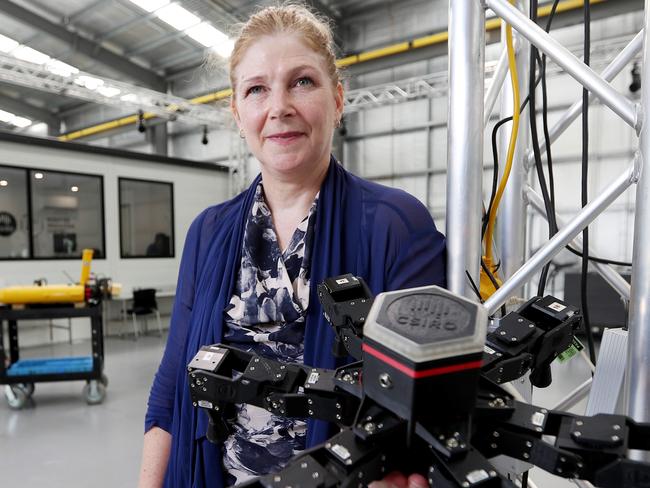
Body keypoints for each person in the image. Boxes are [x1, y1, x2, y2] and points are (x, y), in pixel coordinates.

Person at [138, 4, 446, 488]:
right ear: (238, 114)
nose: (279, 106)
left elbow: (426, 409)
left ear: (338, 100)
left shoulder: (395, 224)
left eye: (302, 82)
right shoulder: (209, 232)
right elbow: (173, 384)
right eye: (257, 88)